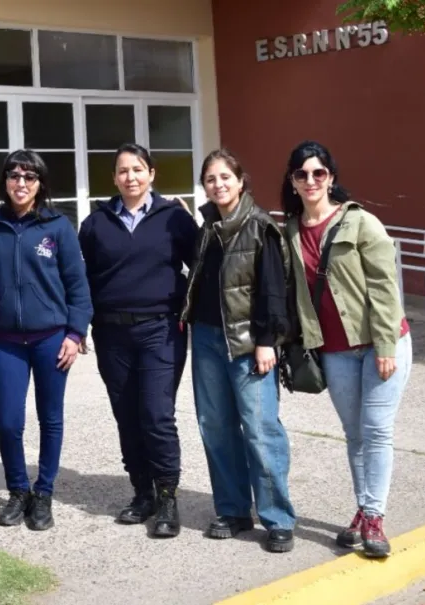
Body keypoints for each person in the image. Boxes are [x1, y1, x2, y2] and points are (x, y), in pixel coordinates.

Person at [281, 141, 412, 558]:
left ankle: (373, 518)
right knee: (354, 435)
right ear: (293, 181)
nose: (311, 180)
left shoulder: (361, 223)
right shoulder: (290, 232)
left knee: (376, 430)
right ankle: (363, 509)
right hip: (335, 351)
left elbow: (385, 288)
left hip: (380, 344)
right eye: (302, 174)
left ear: (331, 178)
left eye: (318, 173)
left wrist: (386, 345)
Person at [77, 143, 197, 538]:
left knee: (156, 415)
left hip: (160, 330)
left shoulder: (174, 220)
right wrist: (78, 326)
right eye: (123, 171)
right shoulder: (96, 224)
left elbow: (200, 267)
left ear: (152, 174)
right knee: (127, 415)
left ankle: (167, 498)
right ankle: (141, 492)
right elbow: (81, 281)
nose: (131, 177)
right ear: (114, 178)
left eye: (138, 169)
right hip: (111, 333)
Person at [180, 148, 296, 553]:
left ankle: (278, 518)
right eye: (210, 179)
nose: (218, 185)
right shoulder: (208, 225)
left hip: (249, 345)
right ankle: (232, 510)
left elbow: (273, 289)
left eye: (224, 177)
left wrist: (268, 341)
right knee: (215, 426)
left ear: (241, 180)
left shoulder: (260, 226)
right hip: (208, 339)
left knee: (261, 431)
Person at [0, 150, 92, 531]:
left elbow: (77, 285)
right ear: (4, 182)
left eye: (29, 177)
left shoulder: (58, 227)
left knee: (50, 419)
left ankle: (43, 493)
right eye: (14, 176)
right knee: (9, 422)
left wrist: (75, 333)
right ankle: (18, 491)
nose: (21, 183)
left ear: (40, 184)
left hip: (51, 339)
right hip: (7, 340)